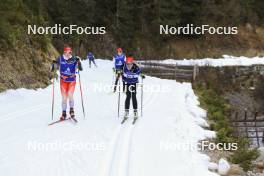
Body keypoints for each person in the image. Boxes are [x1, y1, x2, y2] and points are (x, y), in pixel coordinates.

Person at [51, 46, 83, 120]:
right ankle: (64, 113)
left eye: (70, 52)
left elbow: (81, 69)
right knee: (64, 98)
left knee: (70, 94)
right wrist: (54, 64)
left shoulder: (74, 58)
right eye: (67, 52)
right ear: (64, 52)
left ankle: (72, 110)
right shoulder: (60, 58)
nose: (69, 54)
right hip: (63, 81)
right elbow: (53, 69)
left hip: (72, 80)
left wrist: (79, 62)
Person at [122, 56, 145, 122]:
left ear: (132, 63)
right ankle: (126, 112)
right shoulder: (124, 67)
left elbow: (140, 72)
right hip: (128, 83)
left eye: (130, 63)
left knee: (133, 96)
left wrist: (142, 75)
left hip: (134, 83)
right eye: (127, 63)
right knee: (128, 97)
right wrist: (124, 85)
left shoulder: (135, 67)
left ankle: (135, 113)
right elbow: (122, 76)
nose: (129, 65)